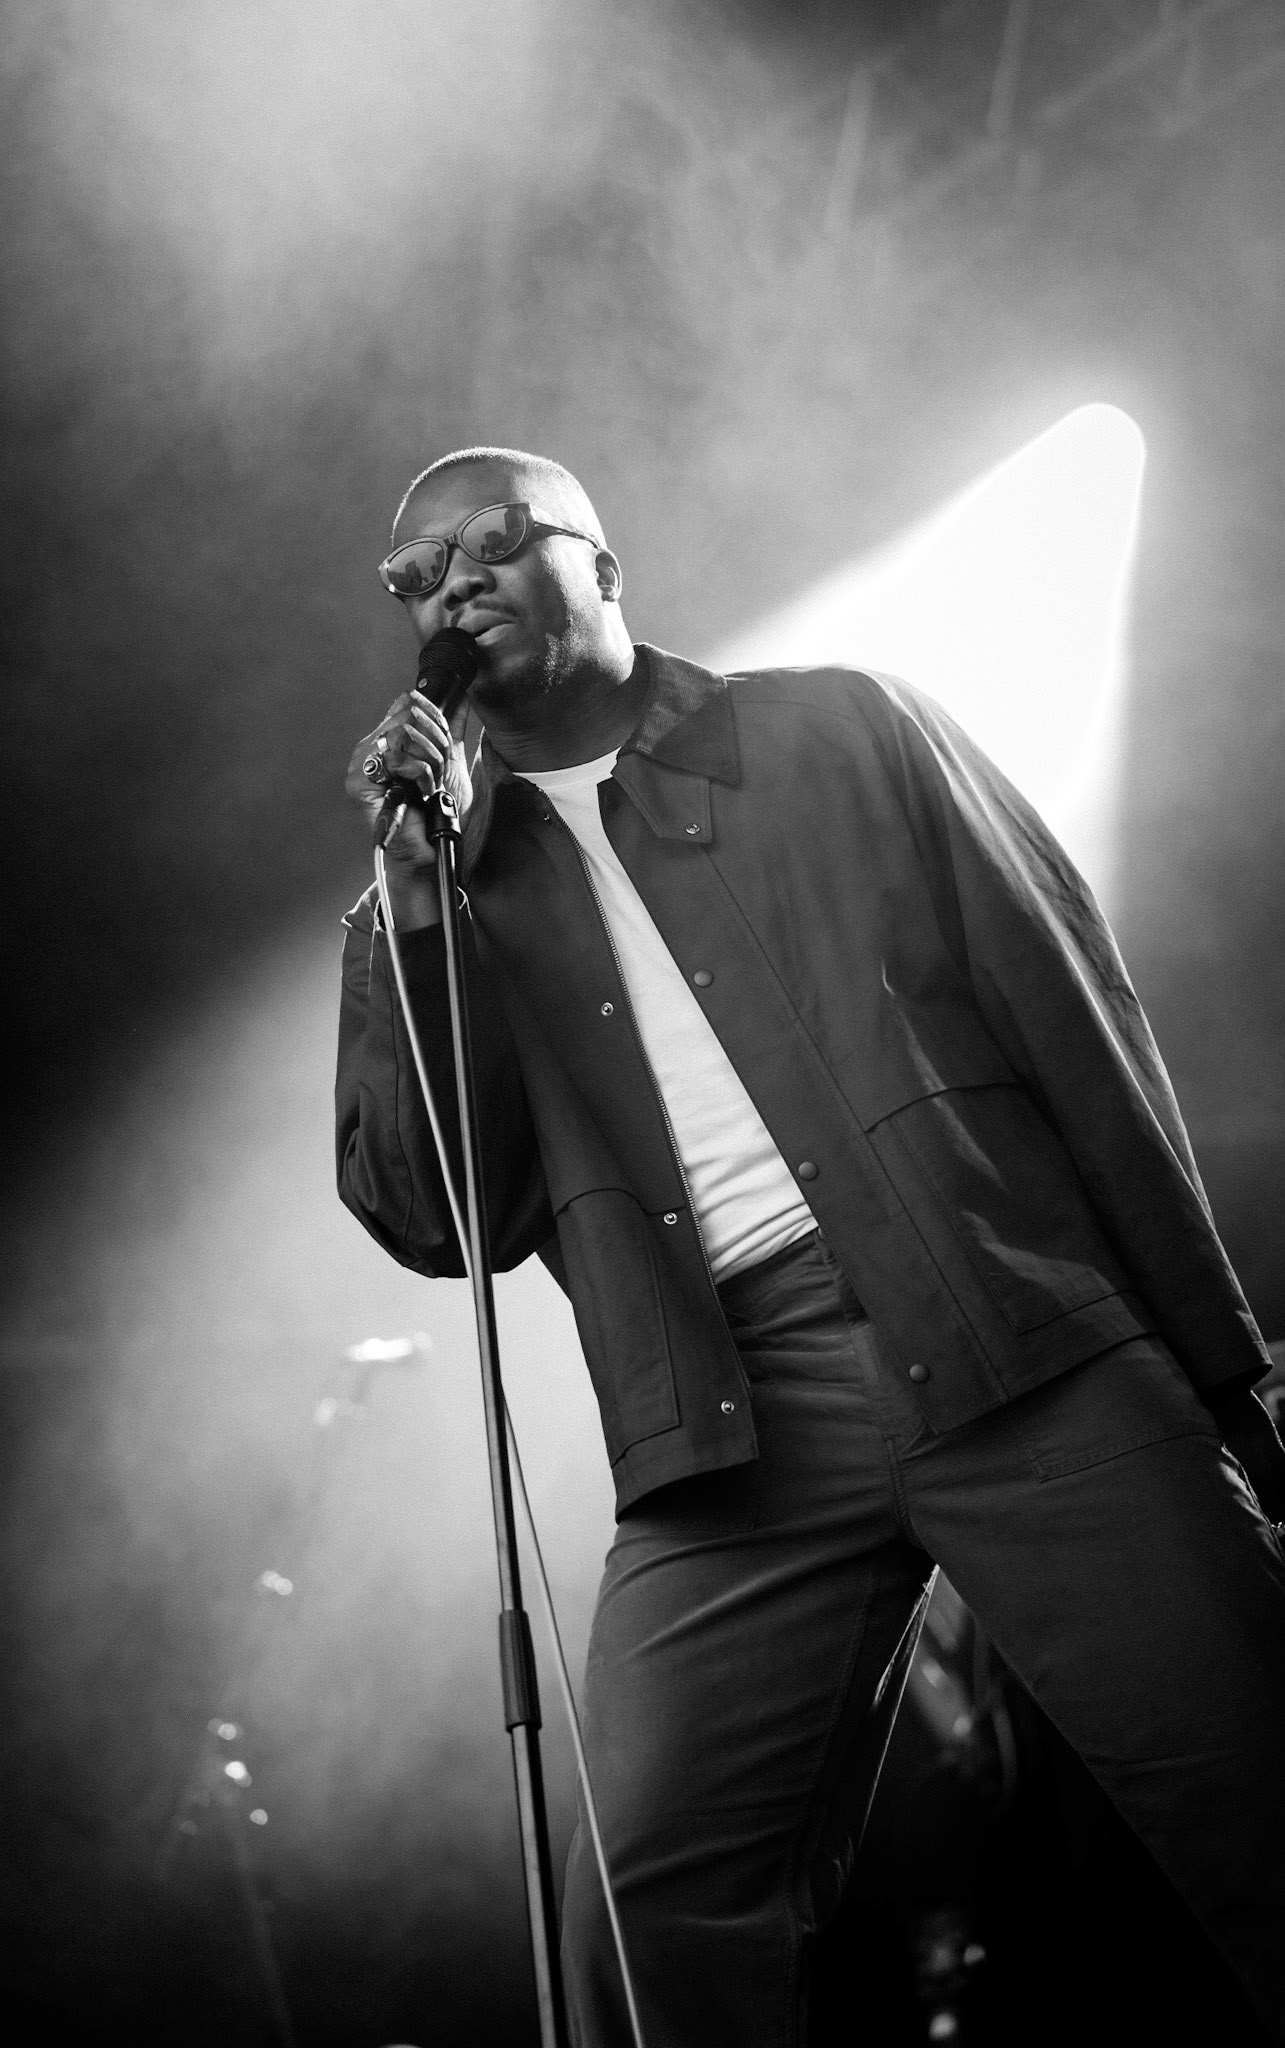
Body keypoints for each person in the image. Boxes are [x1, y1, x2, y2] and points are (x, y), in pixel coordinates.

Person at [336, 445, 1285, 2047]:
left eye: (492, 544)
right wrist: (418, 914)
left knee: (1257, 1780)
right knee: (648, 1912)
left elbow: (1075, 1024)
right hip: (731, 1419)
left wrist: (1218, 1363)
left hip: (1003, 1323)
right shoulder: (437, 888)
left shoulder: (840, 729)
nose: (453, 587)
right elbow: (438, 1220)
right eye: (415, 579)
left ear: (604, 568)